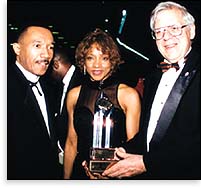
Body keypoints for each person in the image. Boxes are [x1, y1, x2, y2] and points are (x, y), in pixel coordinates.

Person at [102, 1, 200, 179]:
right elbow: (150, 135)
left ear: (191, 30)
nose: (166, 36)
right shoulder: (154, 78)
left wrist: (147, 163)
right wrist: (120, 153)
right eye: (159, 31)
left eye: (174, 28)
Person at [63, 28, 141, 179]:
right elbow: (71, 143)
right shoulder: (74, 95)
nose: (97, 65)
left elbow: (133, 148)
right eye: (91, 58)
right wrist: (65, 180)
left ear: (112, 61)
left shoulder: (128, 95)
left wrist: (112, 171)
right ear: (83, 61)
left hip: (117, 173)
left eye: (104, 58)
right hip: (81, 173)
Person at [7, 25, 62, 179]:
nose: (46, 54)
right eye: (37, 45)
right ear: (17, 49)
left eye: (50, 47)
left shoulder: (50, 87)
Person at [50, 47, 83, 165]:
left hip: (78, 156)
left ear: (55, 64)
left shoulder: (81, 81)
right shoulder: (61, 84)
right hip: (63, 152)